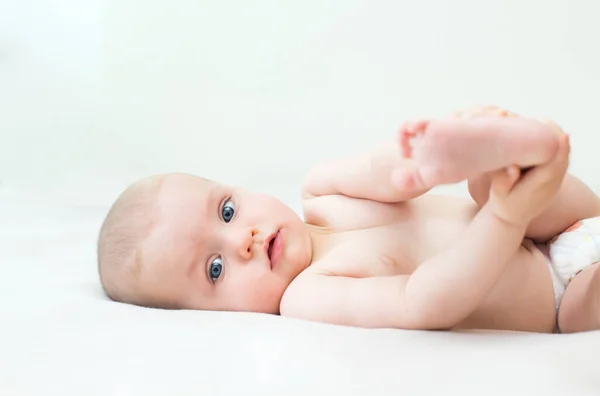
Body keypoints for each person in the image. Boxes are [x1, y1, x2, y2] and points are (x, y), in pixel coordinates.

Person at [97, 105, 600, 333]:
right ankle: (519, 172)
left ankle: (513, 153)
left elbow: (383, 173)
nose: (243, 240)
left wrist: (422, 160)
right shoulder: (308, 296)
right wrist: (503, 221)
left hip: (556, 221)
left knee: (481, 183)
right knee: (585, 305)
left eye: (227, 211)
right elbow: (421, 302)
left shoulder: (321, 189)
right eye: (214, 268)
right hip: (558, 299)